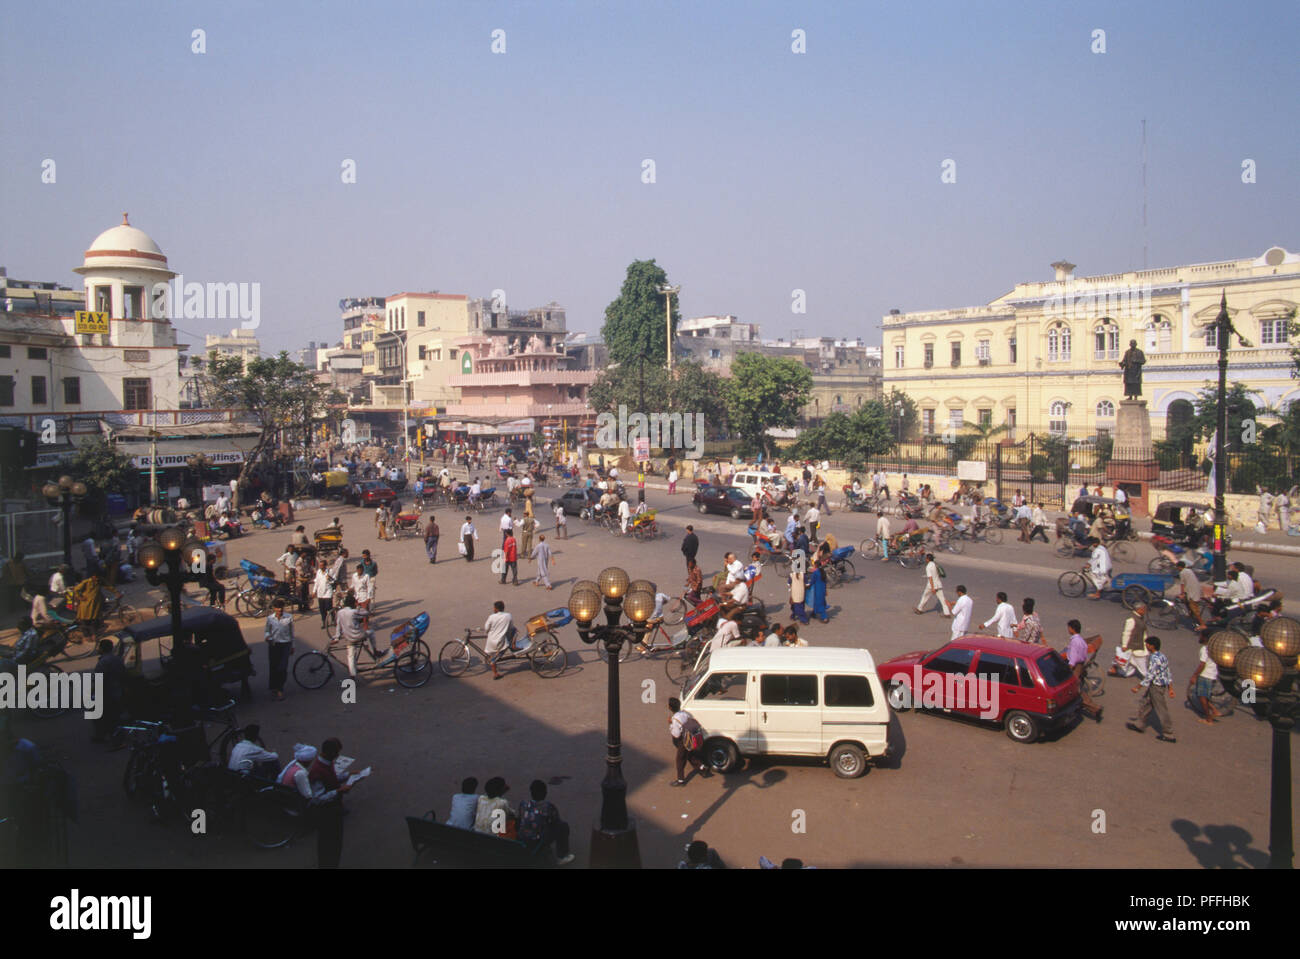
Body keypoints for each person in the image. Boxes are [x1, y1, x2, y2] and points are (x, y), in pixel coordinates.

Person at [1127, 635, 1175, 742]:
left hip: (1156, 687)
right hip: (1160, 686)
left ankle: (1169, 734)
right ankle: (1139, 724)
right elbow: (1167, 673)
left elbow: (1150, 675)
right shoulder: (1162, 656)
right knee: (1146, 704)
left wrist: (1138, 687)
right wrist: (1170, 688)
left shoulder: (1153, 658)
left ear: (1152, 646)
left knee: (1161, 709)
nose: (1146, 646)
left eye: (1147, 644)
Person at [517, 780, 575, 864]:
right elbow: (556, 821)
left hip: (522, 838)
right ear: (545, 793)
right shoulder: (548, 806)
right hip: (536, 841)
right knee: (563, 826)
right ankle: (561, 856)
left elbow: (520, 819)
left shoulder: (523, 804)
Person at [1063, 619, 1103, 722]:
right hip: (1081, 665)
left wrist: (1069, 668)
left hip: (1075, 667)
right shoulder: (1081, 640)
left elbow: (1073, 657)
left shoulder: (1075, 641)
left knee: (1075, 689)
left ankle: (1095, 708)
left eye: (1069, 627)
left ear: (1072, 629)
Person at [668, 697, 709, 785]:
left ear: (670, 708)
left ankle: (680, 780)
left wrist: (671, 725)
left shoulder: (675, 719)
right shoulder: (684, 714)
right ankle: (701, 767)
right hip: (690, 737)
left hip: (683, 741)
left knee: (680, 759)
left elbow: (676, 734)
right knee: (689, 755)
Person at [1111, 604, 1149, 678]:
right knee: (1142, 665)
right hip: (1135, 647)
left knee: (1131, 664)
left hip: (1137, 646)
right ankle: (1148, 678)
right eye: (1143, 609)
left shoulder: (1139, 618)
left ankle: (1122, 673)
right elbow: (1126, 633)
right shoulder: (1132, 620)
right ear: (1139, 610)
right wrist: (1124, 645)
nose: (1145, 611)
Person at [484, 600, 513, 680]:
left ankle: (495, 672)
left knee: (492, 654)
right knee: (514, 631)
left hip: (491, 642)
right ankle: (513, 646)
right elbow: (511, 628)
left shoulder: (491, 617)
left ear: (496, 609)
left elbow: (486, 629)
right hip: (501, 642)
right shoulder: (508, 616)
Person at [807, 558, 829, 624]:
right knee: (819, 602)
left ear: (816, 566)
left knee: (819, 603)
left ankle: (824, 618)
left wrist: (808, 586)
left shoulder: (815, 573)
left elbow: (812, 581)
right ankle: (813, 613)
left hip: (818, 590)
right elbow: (825, 582)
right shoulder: (823, 572)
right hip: (822, 590)